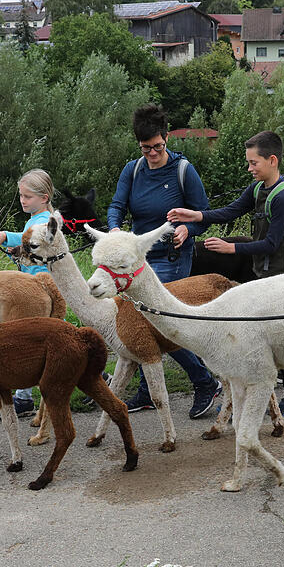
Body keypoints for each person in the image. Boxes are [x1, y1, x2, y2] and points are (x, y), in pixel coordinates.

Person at [167, 131, 284, 411]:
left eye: (253, 163)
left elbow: (272, 244)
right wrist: (196, 216)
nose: (249, 169)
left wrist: (230, 248)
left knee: (280, 335)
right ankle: (277, 388)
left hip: (280, 276)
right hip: (262, 274)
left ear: (272, 160)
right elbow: (231, 211)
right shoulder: (258, 189)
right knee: (267, 335)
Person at [109, 103, 222, 419]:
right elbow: (116, 206)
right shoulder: (132, 171)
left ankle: (204, 382)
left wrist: (189, 228)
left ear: (167, 138)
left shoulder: (184, 171)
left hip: (174, 257)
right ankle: (148, 392)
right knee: (144, 326)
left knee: (165, 325)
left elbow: (203, 214)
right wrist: (116, 228)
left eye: (158, 147)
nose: (153, 154)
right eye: (147, 149)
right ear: (139, 145)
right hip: (139, 260)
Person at [0, 168, 55, 420]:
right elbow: (24, 248)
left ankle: (24, 398)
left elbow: (31, 238)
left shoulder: (45, 220)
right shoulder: (34, 217)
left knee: (30, 343)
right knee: (42, 342)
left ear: (44, 197)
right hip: (33, 287)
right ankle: (25, 398)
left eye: (27, 196)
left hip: (41, 288)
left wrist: (7, 235)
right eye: (21, 196)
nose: (22, 201)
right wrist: (8, 246)